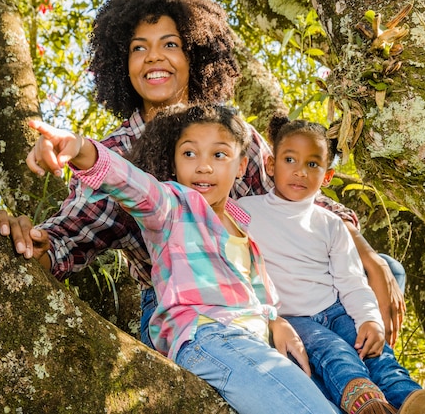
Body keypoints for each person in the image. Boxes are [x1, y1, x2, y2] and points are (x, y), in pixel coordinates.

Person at [0, 0, 405, 349]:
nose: (154, 56)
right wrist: (34, 241)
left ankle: (366, 382)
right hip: (184, 304)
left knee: (385, 268)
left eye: (170, 44)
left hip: (263, 289)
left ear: (195, 53)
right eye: (139, 48)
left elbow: (300, 204)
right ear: (124, 64)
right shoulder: (116, 151)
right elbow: (68, 236)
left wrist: (364, 251)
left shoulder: (233, 135)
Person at [25, 104, 340, 414]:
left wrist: (275, 320)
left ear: (241, 165)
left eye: (219, 155)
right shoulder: (173, 205)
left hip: (251, 343)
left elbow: (258, 287)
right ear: (175, 163)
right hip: (206, 335)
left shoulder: (243, 222)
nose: (203, 166)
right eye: (190, 153)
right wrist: (80, 148)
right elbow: (131, 184)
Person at [238, 114, 425, 414]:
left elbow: (351, 280)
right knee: (335, 355)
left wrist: (369, 320)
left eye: (313, 164)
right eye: (290, 160)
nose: (300, 172)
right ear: (271, 165)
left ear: (327, 176)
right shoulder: (246, 212)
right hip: (293, 317)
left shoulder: (330, 224)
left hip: (336, 310)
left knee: (380, 358)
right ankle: (372, 409)